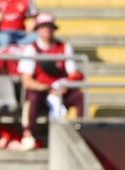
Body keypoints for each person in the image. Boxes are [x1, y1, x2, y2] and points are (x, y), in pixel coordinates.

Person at [18, 13, 84, 151]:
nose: (46, 30)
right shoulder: (31, 49)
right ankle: (29, 134)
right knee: (33, 98)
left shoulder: (64, 47)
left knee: (79, 96)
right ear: (37, 30)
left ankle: (81, 132)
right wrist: (46, 88)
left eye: (49, 27)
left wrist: (64, 86)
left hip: (61, 90)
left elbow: (74, 73)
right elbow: (27, 80)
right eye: (43, 27)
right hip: (41, 91)